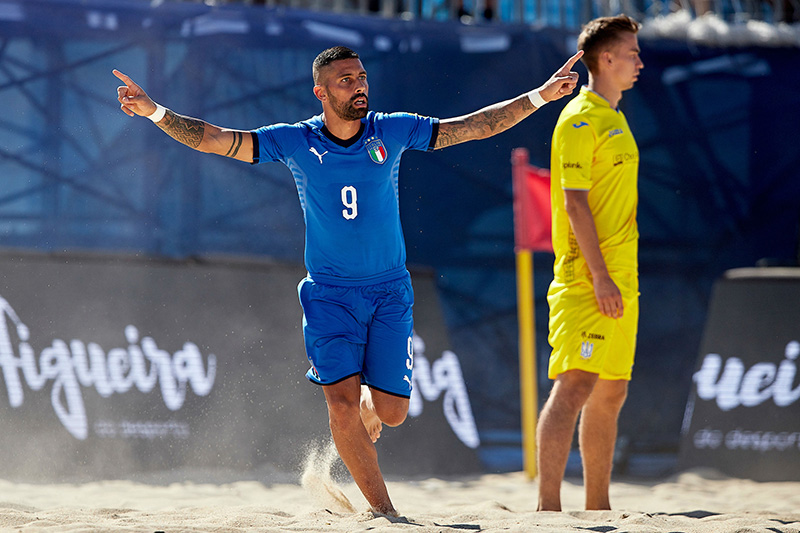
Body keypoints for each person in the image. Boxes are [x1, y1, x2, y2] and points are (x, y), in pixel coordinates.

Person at [114, 45, 581, 516]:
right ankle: (385, 513)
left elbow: (472, 126)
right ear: (320, 92)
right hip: (330, 295)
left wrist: (540, 97)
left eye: (361, 77)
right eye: (345, 80)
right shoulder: (295, 141)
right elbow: (216, 138)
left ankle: (371, 407)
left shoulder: (391, 129)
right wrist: (154, 110)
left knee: (394, 412)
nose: (358, 86)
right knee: (339, 403)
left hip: (389, 291)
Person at [536, 15, 644, 512]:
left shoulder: (615, 116)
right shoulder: (579, 118)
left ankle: (597, 506)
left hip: (622, 276)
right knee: (575, 384)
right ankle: (548, 509)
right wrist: (599, 276)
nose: (639, 62)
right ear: (605, 58)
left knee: (614, 391)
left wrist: (614, 276)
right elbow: (574, 203)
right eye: (632, 53)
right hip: (586, 277)